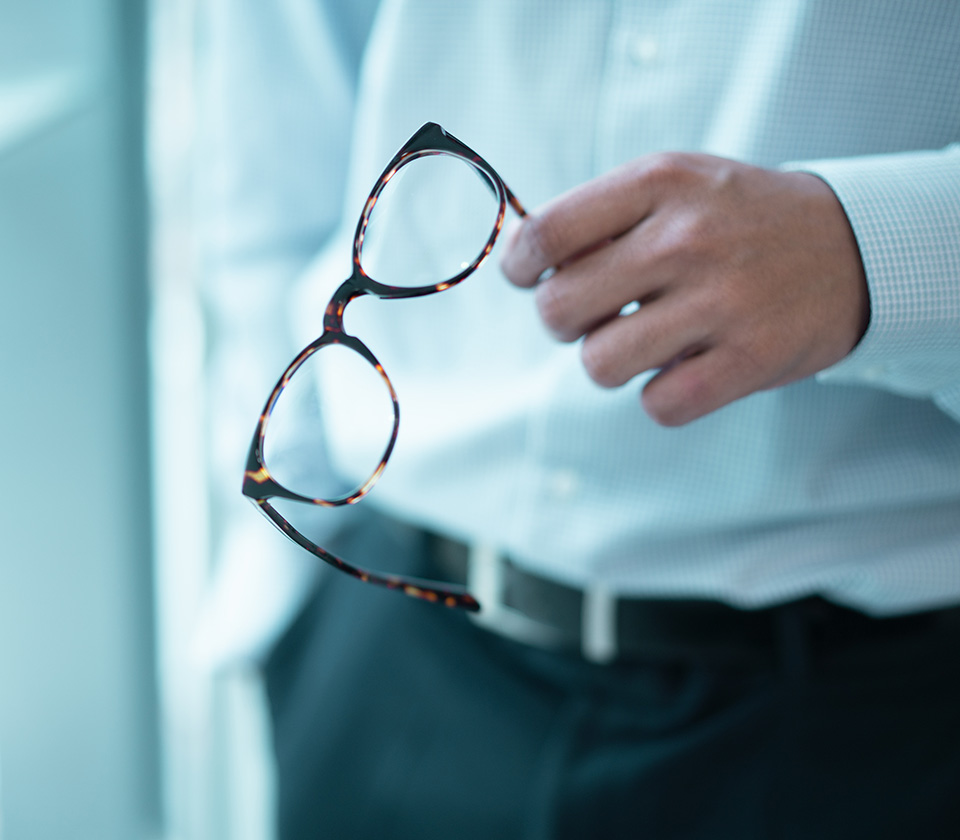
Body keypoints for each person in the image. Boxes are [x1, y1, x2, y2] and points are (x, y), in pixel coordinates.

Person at [194, 1, 960, 838]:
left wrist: (876, 249)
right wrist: (283, 596)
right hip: (391, 651)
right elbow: (277, 135)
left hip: (871, 724)